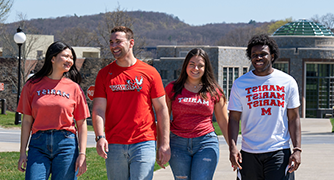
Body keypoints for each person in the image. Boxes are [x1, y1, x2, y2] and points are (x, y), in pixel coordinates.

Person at [92, 26, 170, 180]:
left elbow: (161, 109)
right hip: (114, 143)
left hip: (144, 141)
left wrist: (164, 144)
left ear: (131, 42)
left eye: (118, 42)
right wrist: (100, 137)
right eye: (111, 42)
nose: (113, 46)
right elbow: (98, 109)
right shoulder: (104, 74)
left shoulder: (150, 72)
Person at [228, 34, 301, 180]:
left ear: (272, 56)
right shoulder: (240, 83)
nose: (258, 58)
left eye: (263, 54)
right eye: (254, 55)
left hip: (278, 151)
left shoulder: (287, 82)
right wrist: (232, 148)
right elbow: (234, 118)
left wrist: (297, 150)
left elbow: (293, 118)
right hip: (248, 153)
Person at [17, 41, 90, 179]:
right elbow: (26, 121)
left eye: (71, 58)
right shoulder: (32, 85)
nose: (69, 60)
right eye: (65, 56)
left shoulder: (74, 88)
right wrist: (22, 153)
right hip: (38, 144)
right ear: (52, 58)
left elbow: (82, 123)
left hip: (66, 144)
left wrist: (82, 154)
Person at [165, 48, 229, 180]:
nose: (196, 68)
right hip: (177, 144)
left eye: (200, 65)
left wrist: (233, 148)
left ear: (206, 68)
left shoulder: (214, 91)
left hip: (205, 143)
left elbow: (223, 122)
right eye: (192, 64)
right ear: (186, 66)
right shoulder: (172, 88)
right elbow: (164, 119)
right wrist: (163, 145)